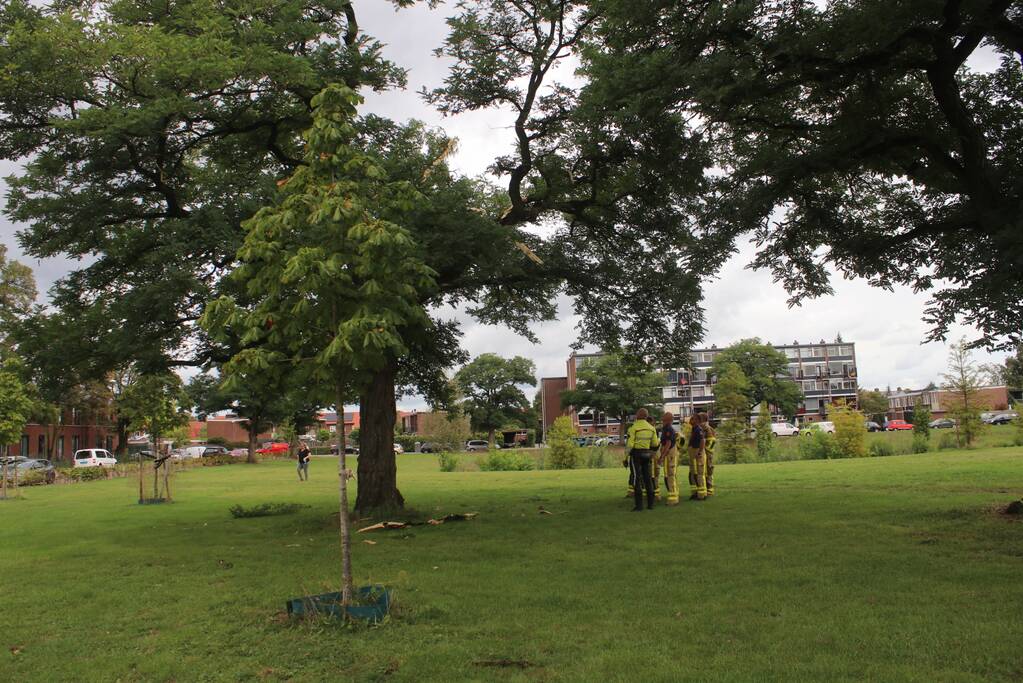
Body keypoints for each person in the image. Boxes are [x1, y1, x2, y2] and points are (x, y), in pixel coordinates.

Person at [625, 408, 659, 511]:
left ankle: (639, 506)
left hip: (636, 455)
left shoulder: (633, 428)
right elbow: (655, 444)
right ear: (646, 416)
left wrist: (625, 457)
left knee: (636, 478)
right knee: (648, 478)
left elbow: (630, 444)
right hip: (647, 454)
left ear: (637, 415)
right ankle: (650, 505)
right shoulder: (652, 428)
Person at [658, 411, 680, 505]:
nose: (662, 419)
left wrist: (662, 456)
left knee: (670, 475)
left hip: (669, 454)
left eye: (664, 418)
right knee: (669, 475)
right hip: (669, 453)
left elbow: (668, 443)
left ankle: (673, 498)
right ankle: (673, 495)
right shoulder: (666, 428)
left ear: (668, 419)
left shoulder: (668, 429)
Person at [687, 414, 707, 501]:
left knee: (699, 473)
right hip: (693, 452)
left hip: (697, 452)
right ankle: (695, 493)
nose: (690, 420)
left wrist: (699, 452)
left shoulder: (698, 429)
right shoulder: (694, 429)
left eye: (693, 419)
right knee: (693, 474)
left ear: (698, 421)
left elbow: (702, 441)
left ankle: (701, 494)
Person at [701, 413, 717, 497]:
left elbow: (711, 441)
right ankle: (708, 489)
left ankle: (709, 490)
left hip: (707, 454)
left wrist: (704, 450)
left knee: (708, 471)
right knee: (707, 470)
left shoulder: (706, 429)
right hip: (707, 453)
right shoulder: (707, 428)